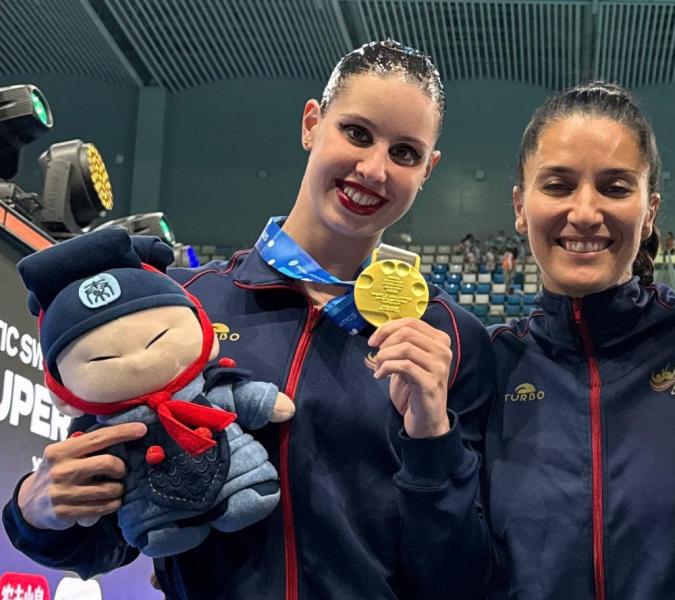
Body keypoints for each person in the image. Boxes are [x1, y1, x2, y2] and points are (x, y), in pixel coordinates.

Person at [4, 41, 493, 599]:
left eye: (404, 153)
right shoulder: (181, 307)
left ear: (428, 169)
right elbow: (113, 533)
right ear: (312, 124)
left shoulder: (451, 341)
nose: (374, 168)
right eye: (357, 133)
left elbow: (463, 572)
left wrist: (432, 439)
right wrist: (37, 509)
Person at [487, 82, 675, 599]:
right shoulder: (490, 363)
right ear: (521, 206)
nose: (585, 212)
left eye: (615, 187)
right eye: (558, 185)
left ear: (650, 210)